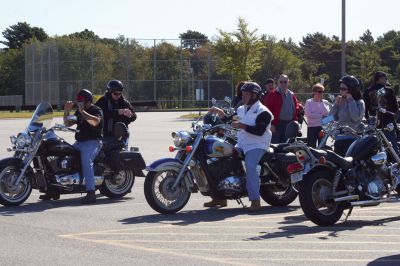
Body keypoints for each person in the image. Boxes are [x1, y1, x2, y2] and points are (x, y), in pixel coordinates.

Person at [205, 82, 273, 212]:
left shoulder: (263, 111)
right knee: (221, 158)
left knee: (250, 166)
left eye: (247, 94)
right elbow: (230, 120)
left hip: (258, 144)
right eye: (243, 94)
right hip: (242, 143)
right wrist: (220, 113)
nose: (244, 96)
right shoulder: (242, 109)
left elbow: (259, 131)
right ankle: (220, 196)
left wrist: (242, 126)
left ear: (255, 95)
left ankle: (255, 200)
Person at [64, 89, 103, 204]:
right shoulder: (79, 112)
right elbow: (68, 124)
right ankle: (54, 188)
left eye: (81, 101)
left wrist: (82, 111)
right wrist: (66, 112)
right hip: (79, 142)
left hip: (93, 142)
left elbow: (95, 122)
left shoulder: (96, 110)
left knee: (86, 161)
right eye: (78, 101)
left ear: (88, 101)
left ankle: (91, 192)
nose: (79, 103)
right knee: (64, 155)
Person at [363, 71, 399, 154]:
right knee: (392, 148)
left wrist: (368, 119)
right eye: (385, 78)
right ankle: (396, 165)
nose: (386, 80)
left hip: (373, 124)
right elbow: (395, 108)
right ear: (379, 79)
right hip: (388, 123)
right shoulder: (389, 90)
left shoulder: (367, 91)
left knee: (375, 149)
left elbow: (365, 110)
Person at [95, 80, 136, 149]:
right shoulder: (102, 101)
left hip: (122, 136)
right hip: (106, 136)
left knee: (122, 156)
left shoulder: (125, 102)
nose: (118, 96)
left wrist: (130, 115)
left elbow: (134, 116)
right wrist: (117, 112)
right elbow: (99, 114)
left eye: (120, 93)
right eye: (115, 94)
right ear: (109, 92)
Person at [265, 74, 299, 143]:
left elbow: (296, 108)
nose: (283, 84)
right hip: (277, 125)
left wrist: (295, 122)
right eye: (281, 82)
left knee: (286, 147)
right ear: (278, 82)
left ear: (288, 82)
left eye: (285, 82)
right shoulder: (273, 94)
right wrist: (271, 124)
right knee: (275, 146)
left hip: (289, 125)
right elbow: (267, 110)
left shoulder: (292, 95)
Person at [304, 83, 330, 147]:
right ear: (314, 92)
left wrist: (321, 102)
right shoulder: (309, 102)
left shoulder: (325, 102)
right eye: (319, 91)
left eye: (322, 92)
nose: (321, 93)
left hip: (323, 128)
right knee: (311, 146)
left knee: (322, 147)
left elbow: (328, 114)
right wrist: (321, 116)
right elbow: (308, 115)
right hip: (312, 128)